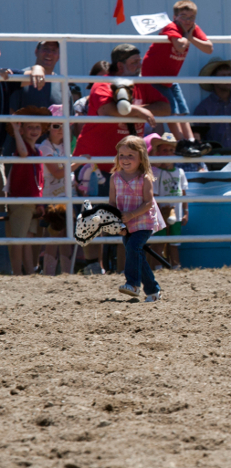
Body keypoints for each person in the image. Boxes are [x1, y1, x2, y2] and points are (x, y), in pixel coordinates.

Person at [73, 44, 170, 275]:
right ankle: (93, 266)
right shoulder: (103, 84)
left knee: (127, 219)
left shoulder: (140, 85)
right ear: (120, 66)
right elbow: (107, 110)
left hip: (126, 166)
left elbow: (165, 106)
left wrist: (138, 109)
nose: (139, 67)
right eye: (135, 63)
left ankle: (124, 271)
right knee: (94, 216)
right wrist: (141, 112)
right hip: (96, 163)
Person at [140, 0, 213, 150]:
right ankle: (181, 142)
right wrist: (187, 36)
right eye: (183, 16)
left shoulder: (191, 28)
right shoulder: (171, 27)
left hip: (169, 78)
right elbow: (180, 46)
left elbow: (209, 48)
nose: (188, 20)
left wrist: (190, 37)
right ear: (175, 17)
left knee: (182, 110)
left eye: (191, 17)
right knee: (170, 109)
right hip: (153, 77)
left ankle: (191, 141)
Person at [110, 135, 165, 301]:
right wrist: (116, 221)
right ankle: (153, 291)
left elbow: (148, 203)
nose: (125, 159)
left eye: (130, 156)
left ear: (141, 158)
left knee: (134, 248)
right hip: (126, 224)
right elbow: (112, 202)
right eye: (122, 155)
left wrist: (132, 214)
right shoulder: (115, 178)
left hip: (144, 222)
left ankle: (133, 284)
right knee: (136, 254)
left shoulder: (145, 178)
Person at [6, 106, 50, 275]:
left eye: (37, 127)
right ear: (22, 130)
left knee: (28, 237)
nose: (34, 130)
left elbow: (39, 180)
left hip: (31, 200)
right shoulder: (22, 148)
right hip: (21, 199)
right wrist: (16, 131)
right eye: (29, 127)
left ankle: (30, 272)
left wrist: (40, 202)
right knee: (18, 239)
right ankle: (17, 273)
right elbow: (23, 154)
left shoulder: (37, 152)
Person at [39, 104, 77, 275]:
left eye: (63, 124)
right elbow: (57, 172)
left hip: (65, 195)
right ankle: (49, 272)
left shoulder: (65, 146)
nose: (60, 129)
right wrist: (79, 163)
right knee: (55, 233)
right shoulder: (45, 147)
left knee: (64, 234)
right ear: (48, 127)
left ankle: (65, 273)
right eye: (56, 125)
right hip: (51, 197)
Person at [149, 133, 188, 271]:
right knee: (158, 242)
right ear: (158, 153)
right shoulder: (156, 172)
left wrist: (186, 212)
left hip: (176, 213)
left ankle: (175, 267)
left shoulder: (180, 172)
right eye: (165, 150)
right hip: (161, 213)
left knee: (174, 242)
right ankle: (157, 267)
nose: (168, 153)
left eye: (171, 150)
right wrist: (157, 213)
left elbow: (183, 193)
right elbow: (154, 195)